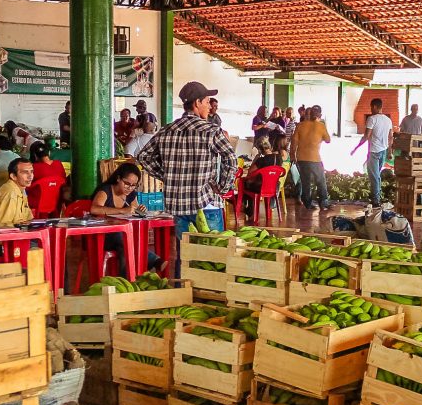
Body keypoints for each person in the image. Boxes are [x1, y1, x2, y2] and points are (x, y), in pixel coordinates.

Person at [137, 81, 236, 248]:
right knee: (214, 259)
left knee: (186, 257)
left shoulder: (166, 130)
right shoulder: (210, 131)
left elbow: (143, 156)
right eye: (207, 102)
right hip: (207, 204)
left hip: (178, 206)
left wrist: (166, 175)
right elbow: (231, 159)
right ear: (197, 103)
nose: (209, 107)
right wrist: (223, 188)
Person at [90, 162, 166, 273]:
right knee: (124, 237)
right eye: (127, 183)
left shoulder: (131, 195)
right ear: (118, 179)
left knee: (124, 248)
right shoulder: (105, 191)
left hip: (121, 237)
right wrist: (121, 210)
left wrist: (140, 210)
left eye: (133, 185)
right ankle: (153, 260)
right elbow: (94, 209)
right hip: (102, 236)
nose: (130, 188)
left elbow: (134, 209)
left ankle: (126, 281)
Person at [352, 98, 393, 206]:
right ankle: (377, 197)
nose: (371, 109)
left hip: (374, 152)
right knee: (377, 175)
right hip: (383, 151)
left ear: (374, 107)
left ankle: (376, 200)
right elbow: (390, 137)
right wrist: (389, 151)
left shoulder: (372, 119)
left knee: (374, 177)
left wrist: (356, 148)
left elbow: (366, 136)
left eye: (371, 107)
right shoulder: (388, 120)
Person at [293, 106, 332, 210]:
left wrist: (293, 155)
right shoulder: (321, 126)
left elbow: (294, 142)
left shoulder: (300, 126)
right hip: (315, 158)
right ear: (317, 115)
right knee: (320, 180)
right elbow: (328, 140)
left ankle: (307, 203)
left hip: (301, 157)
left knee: (305, 181)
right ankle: (323, 201)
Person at [242, 136, 284, 217]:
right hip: (275, 187)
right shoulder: (279, 158)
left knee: (246, 183)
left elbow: (250, 172)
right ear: (270, 146)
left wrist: (256, 158)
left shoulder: (261, 160)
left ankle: (249, 209)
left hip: (260, 187)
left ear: (260, 150)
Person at [0, 158, 34, 227]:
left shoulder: (21, 190)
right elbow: (3, 227)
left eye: (31, 172)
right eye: (25, 172)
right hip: (5, 235)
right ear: (13, 176)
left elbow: (28, 219)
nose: (30, 176)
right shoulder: (10, 194)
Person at [26, 141, 66, 216]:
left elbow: (26, 184)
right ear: (49, 153)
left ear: (35, 156)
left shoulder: (34, 167)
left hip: (38, 203)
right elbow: (63, 180)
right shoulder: (58, 164)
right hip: (57, 202)